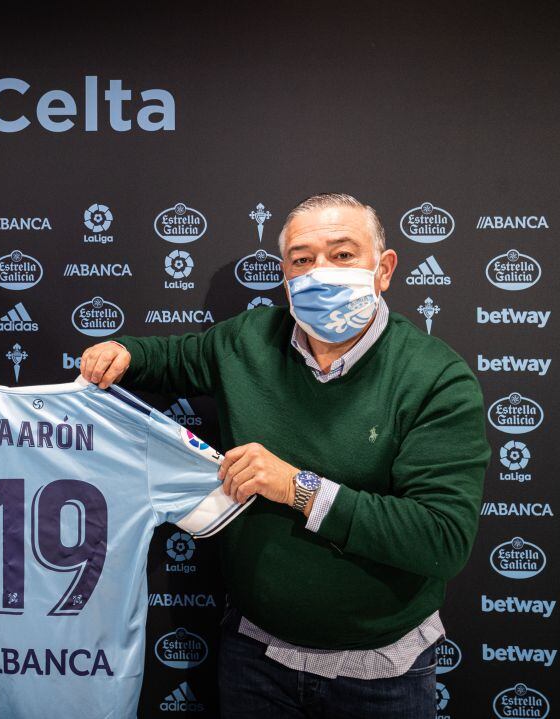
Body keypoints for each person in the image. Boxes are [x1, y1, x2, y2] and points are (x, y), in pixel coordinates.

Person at [79, 193, 488, 719]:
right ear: (285, 274)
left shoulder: (435, 378)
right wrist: (125, 353)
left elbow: (441, 538)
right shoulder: (249, 339)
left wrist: (299, 488)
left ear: (383, 269)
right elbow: (172, 358)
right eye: (303, 259)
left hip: (381, 671)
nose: (321, 272)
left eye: (343, 255)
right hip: (255, 655)